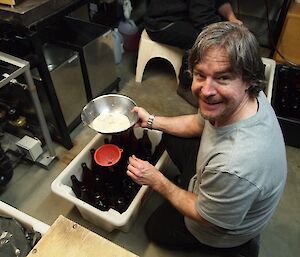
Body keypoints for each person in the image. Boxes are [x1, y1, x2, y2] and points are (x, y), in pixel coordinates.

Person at [127, 22, 287, 256]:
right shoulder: (247, 99)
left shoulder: (236, 165)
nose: (206, 90)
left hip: (216, 229)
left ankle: (240, 246)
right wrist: (151, 121)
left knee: (155, 230)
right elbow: (198, 123)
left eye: (223, 78)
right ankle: (200, 188)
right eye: (200, 74)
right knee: (169, 136)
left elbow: (207, 218)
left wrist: (157, 181)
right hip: (219, 177)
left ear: (249, 80)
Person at [144, 0, 243, 107]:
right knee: (200, 40)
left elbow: (220, 1)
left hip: (183, 16)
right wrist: (229, 32)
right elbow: (201, 18)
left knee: (222, 33)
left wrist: (232, 18)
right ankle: (185, 85)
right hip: (161, 22)